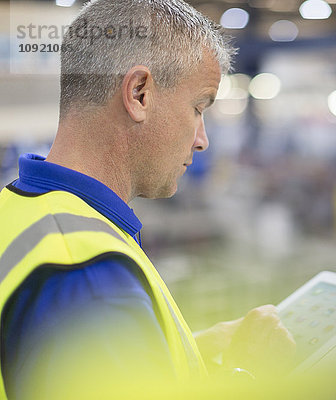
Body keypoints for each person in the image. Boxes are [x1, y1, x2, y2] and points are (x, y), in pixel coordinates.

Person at [0, 0, 295, 398]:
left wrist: (185, 351)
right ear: (139, 93)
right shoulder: (89, 277)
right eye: (198, 107)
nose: (202, 140)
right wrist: (251, 376)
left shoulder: (21, 207)